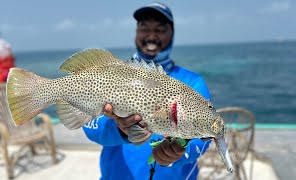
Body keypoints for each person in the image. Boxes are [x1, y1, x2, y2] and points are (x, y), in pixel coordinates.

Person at [83, 2, 212, 179]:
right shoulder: (112, 76)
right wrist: (118, 127)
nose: (151, 36)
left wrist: (181, 149)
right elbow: (89, 126)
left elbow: (205, 135)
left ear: (172, 34)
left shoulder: (192, 83)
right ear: (136, 32)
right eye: (144, 28)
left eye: (160, 29)